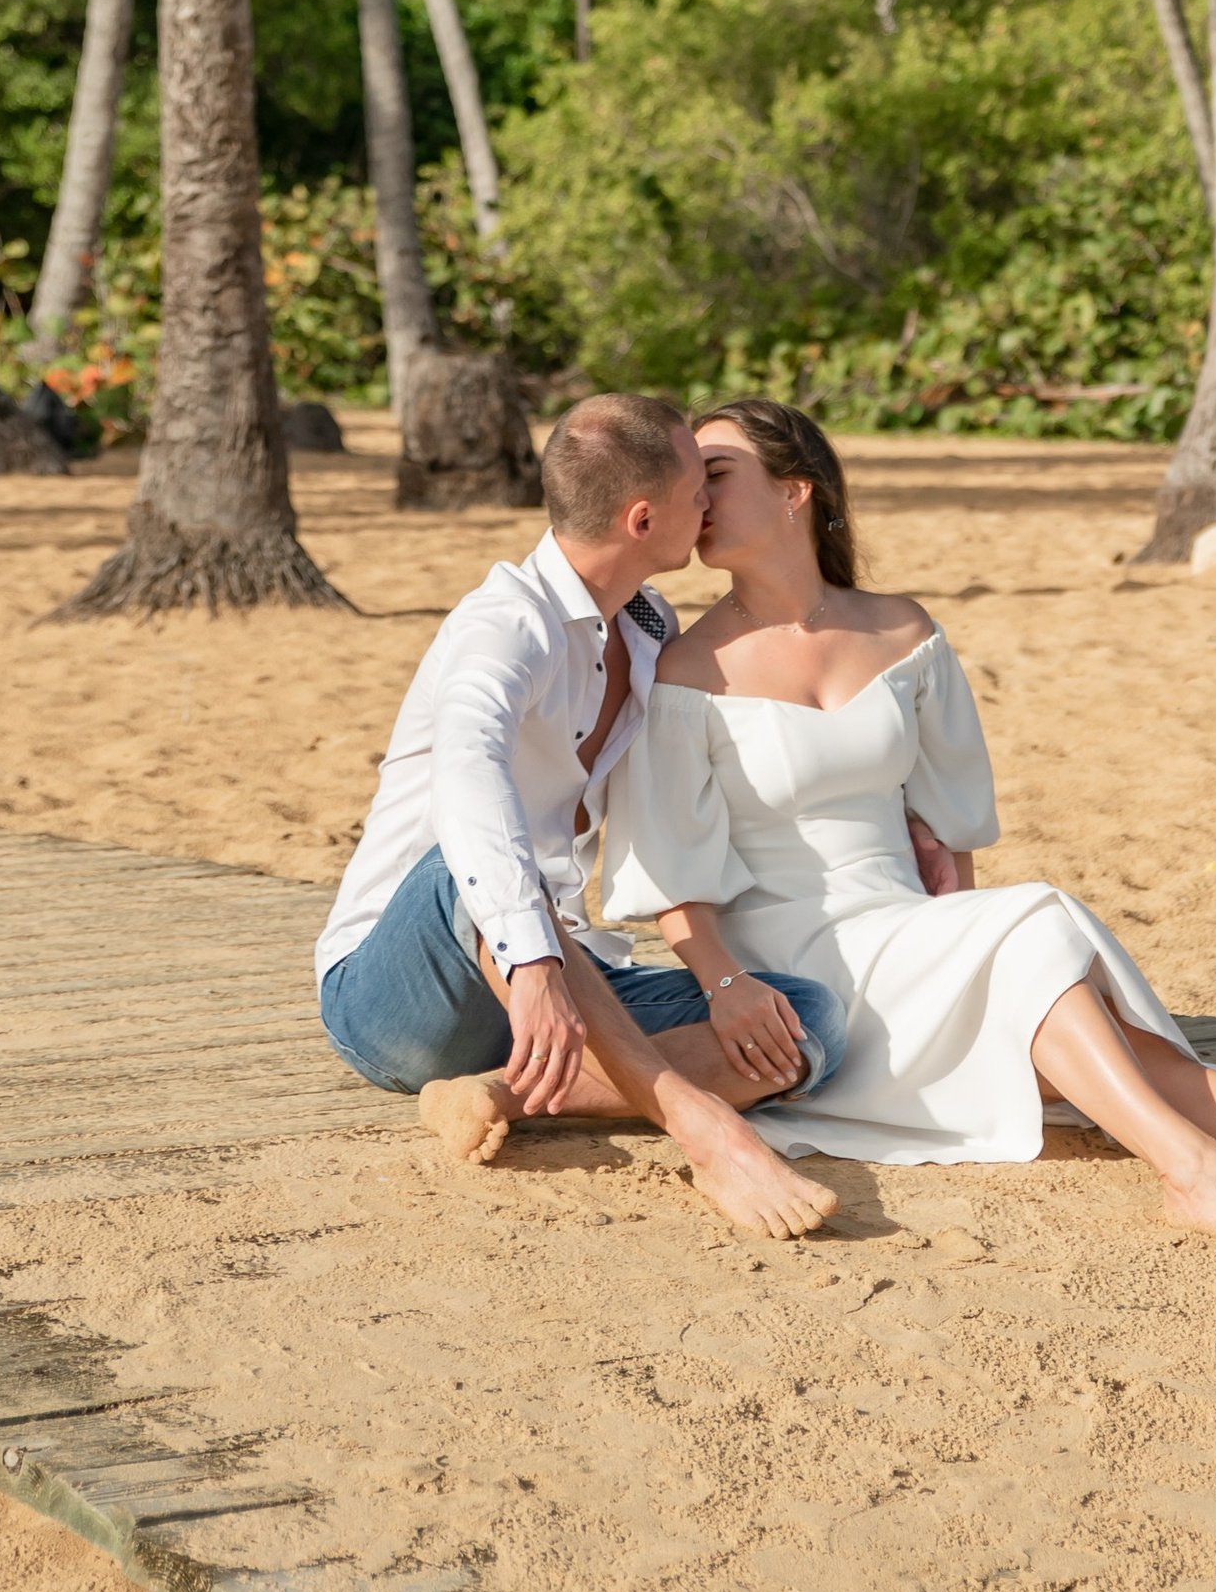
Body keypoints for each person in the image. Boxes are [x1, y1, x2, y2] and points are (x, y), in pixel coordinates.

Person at [601, 399, 1216, 1263]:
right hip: (793, 963)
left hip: (910, 932)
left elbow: (953, 826)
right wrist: (725, 985)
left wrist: (963, 963)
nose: (696, 497)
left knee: (1062, 996)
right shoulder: (689, 667)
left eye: (716, 474)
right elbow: (675, 874)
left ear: (797, 490)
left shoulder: (904, 629)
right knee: (1039, 932)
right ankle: (1191, 1167)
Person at [315, 390, 845, 1240]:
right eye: (696, 487)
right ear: (643, 518)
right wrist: (531, 962)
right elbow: (467, 769)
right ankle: (703, 1131)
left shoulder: (645, 624)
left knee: (802, 1020)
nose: (708, 502)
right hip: (401, 991)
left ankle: (504, 1094)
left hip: (557, 980)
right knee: (484, 862)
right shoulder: (503, 625)